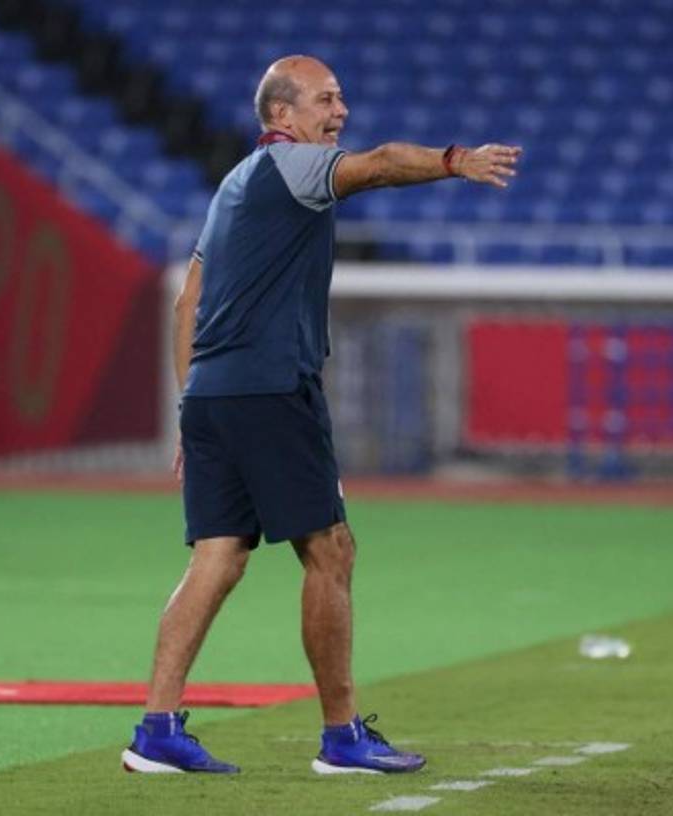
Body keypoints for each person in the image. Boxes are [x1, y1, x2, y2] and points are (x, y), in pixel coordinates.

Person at [121, 55, 521, 774]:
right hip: (272, 390)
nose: (339, 111)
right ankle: (341, 739)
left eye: (341, 97)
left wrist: (187, 408)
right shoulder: (296, 167)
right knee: (330, 551)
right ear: (281, 115)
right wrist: (455, 160)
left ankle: (156, 728)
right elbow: (382, 165)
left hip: (212, 393)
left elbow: (188, 304)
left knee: (217, 558)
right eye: (325, 99)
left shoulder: (233, 186)